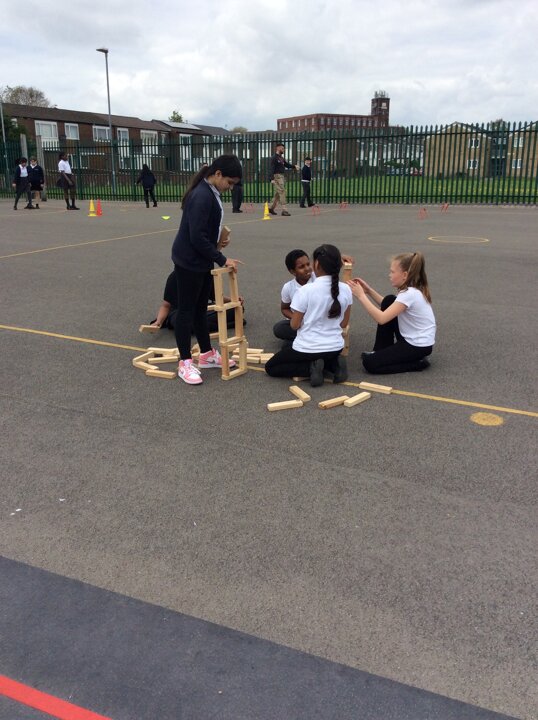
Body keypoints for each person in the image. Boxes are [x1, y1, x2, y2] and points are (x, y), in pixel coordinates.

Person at [171, 154, 243, 385]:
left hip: (201, 260)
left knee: (201, 309)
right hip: (188, 261)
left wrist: (218, 241)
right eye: (229, 182)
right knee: (186, 312)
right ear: (218, 174)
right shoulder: (201, 196)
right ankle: (184, 362)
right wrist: (221, 258)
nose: (230, 188)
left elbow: (205, 230)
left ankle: (206, 354)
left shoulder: (211, 192)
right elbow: (196, 237)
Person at [265, 244, 352, 386]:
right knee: (288, 344)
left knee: (271, 367)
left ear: (316, 264)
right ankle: (334, 364)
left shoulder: (305, 291)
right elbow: (343, 323)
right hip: (336, 347)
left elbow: (294, 325)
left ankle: (311, 368)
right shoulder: (346, 289)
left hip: (308, 348)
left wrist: (306, 319)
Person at [347, 252, 436, 374]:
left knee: (370, 364)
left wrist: (361, 296)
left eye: (392, 272)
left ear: (405, 275)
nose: (389, 275)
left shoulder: (409, 294)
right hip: (413, 338)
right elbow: (389, 306)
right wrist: (368, 291)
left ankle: (418, 363)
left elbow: (382, 318)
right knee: (389, 300)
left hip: (417, 346)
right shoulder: (411, 290)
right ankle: (379, 350)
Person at [148, 271, 245, 332]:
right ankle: (226, 324)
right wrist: (158, 322)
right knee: (185, 324)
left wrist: (233, 301)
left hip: (201, 309)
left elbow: (217, 297)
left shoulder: (206, 274)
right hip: (179, 312)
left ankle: (216, 323)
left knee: (237, 309)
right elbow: (166, 306)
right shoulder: (176, 276)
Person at [273, 249, 314, 345]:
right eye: (301, 267)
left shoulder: (318, 279)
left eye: (308, 264)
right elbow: (285, 308)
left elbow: (329, 264)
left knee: (288, 345)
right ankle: (308, 339)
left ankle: (304, 340)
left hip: (317, 322)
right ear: (292, 271)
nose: (307, 268)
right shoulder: (288, 287)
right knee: (279, 328)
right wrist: (296, 318)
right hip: (300, 324)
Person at [268, 142, 298, 216]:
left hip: (281, 176)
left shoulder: (281, 158)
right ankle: (284, 210)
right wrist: (271, 179)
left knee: (278, 194)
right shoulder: (274, 158)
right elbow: (271, 168)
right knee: (282, 191)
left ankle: (271, 208)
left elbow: (286, 164)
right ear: (277, 148)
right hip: (277, 177)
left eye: (284, 148)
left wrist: (294, 166)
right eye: (282, 148)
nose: (283, 150)